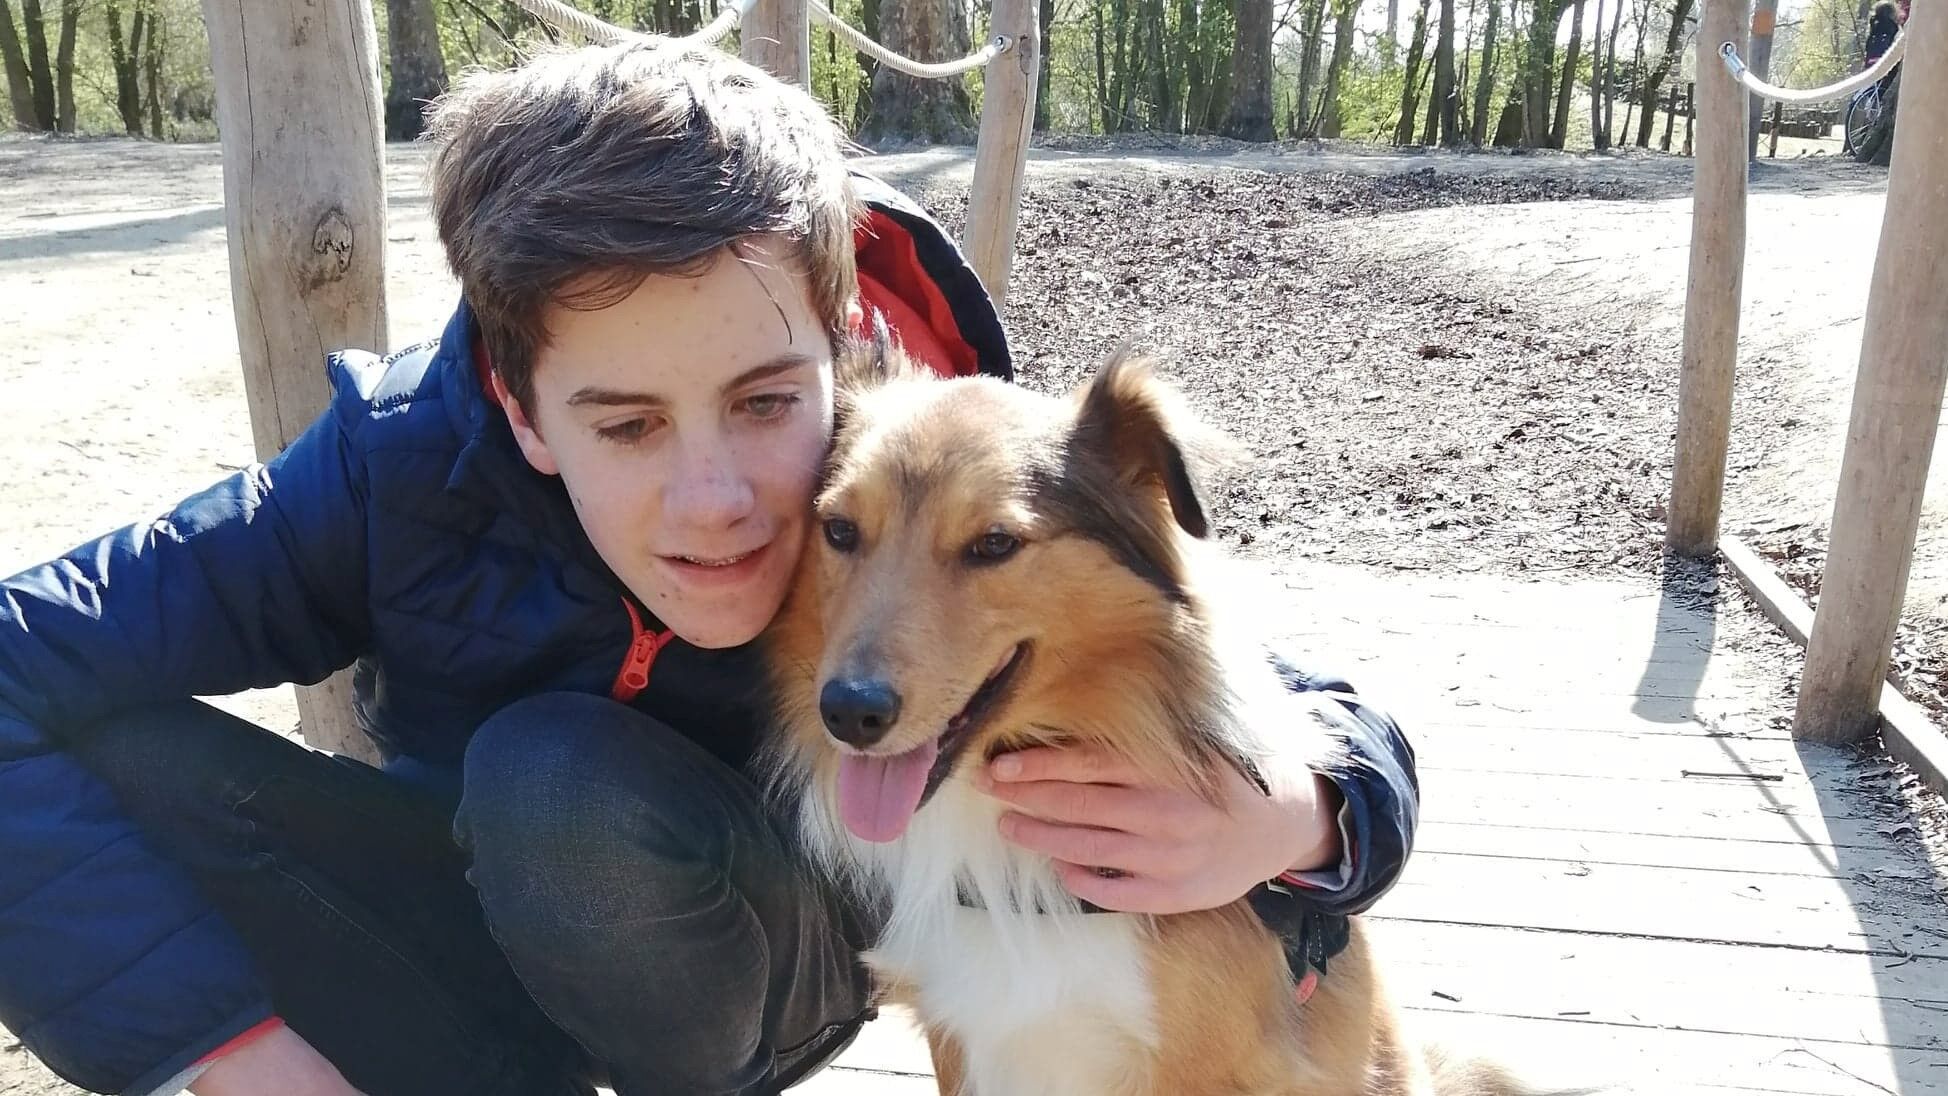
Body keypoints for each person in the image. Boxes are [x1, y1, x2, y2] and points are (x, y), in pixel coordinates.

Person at [0, 37, 1419, 1096]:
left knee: (555, 782)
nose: (718, 502)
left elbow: (1208, 660)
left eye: (762, 401)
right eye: (625, 423)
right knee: (123, 745)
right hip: (468, 935)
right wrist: (227, 1052)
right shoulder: (389, 472)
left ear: (840, 348)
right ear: (517, 403)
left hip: (765, 946)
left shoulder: (901, 458)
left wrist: (1312, 815)